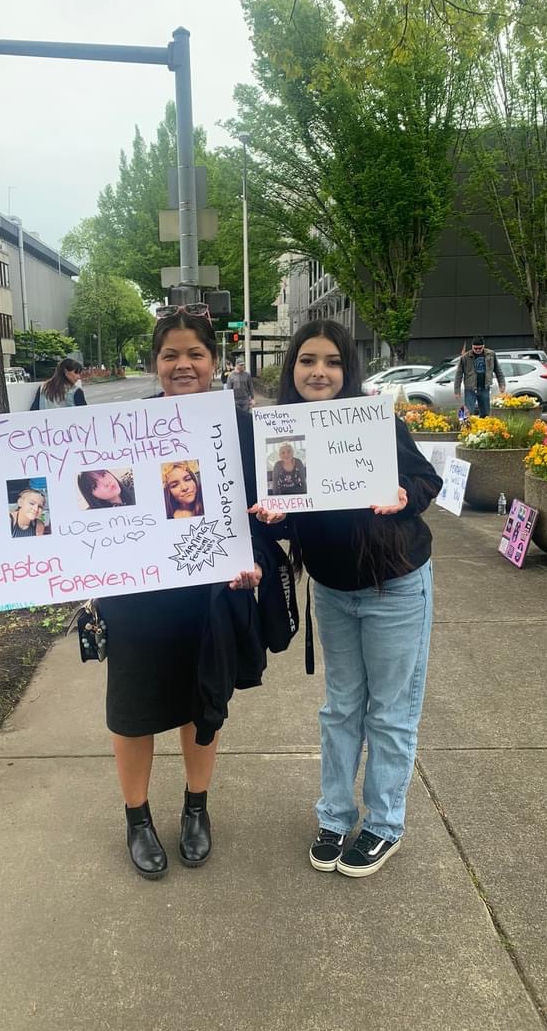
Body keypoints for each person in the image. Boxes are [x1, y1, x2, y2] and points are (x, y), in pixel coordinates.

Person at [98, 306, 266, 880]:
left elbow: (266, 512)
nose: (183, 364)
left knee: (202, 706)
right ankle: (137, 818)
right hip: (136, 596)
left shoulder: (242, 427)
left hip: (208, 596)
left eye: (195, 353)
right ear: (155, 364)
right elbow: (81, 506)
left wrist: (257, 559)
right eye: (171, 354)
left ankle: (198, 807)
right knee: (133, 709)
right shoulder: (121, 429)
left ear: (216, 362)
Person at [274, 320, 442, 877]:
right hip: (334, 590)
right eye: (307, 360)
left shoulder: (373, 422)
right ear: (292, 368)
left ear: (349, 370)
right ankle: (335, 814)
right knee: (341, 707)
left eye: (331, 362)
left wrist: (402, 495)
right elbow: (278, 506)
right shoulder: (278, 434)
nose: (318, 371)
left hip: (393, 585)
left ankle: (383, 824)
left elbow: (425, 481)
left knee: (391, 712)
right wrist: (271, 515)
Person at [454, 338, 506, 416]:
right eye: (475, 348)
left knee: (485, 412)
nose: (478, 350)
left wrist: (502, 384)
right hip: (470, 388)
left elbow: (498, 370)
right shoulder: (465, 357)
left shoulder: (491, 354)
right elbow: (459, 374)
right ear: (472, 347)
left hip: (484, 387)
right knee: (469, 412)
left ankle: (483, 426)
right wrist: (457, 391)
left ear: (483, 346)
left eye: (480, 348)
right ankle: (467, 427)